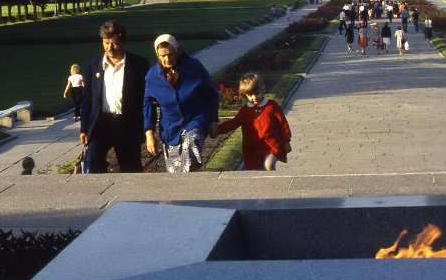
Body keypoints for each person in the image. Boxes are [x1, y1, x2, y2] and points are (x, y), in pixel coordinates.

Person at [80, 20, 151, 173]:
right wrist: (84, 128)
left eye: (114, 43)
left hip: (126, 124)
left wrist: (146, 128)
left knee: (130, 169)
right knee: (92, 162)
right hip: (100, 123)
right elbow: (87, 98)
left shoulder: (138, 64)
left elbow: (145, 98)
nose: (109, 48)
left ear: (123, 42)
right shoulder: (94, 64)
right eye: (106, 43)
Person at [144, 34, 220, 173]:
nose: (167, 59)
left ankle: (190, 177)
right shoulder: (153, 75)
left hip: (195, 119)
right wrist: (149, 133)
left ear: (177, 51)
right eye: (163, 56)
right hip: (171, 127)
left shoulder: (194, 67)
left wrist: (213, 120)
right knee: (176, 172)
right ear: (157, 55)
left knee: (190, 150)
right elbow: (147, 103)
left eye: (170, 54)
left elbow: (211, 94)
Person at [216, 73, 292, 171]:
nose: (254, 97)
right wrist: (217, 130)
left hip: (271, 145)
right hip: (252, 148)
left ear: (262, 89)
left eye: (256, 93)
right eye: (250, 95)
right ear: (245, 95)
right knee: (254, 171)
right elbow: (234, 123)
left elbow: (283, 123)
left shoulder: (271, 106)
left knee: (269, 164)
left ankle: (271, 179)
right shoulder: (245, 111)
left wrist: (286, 141)